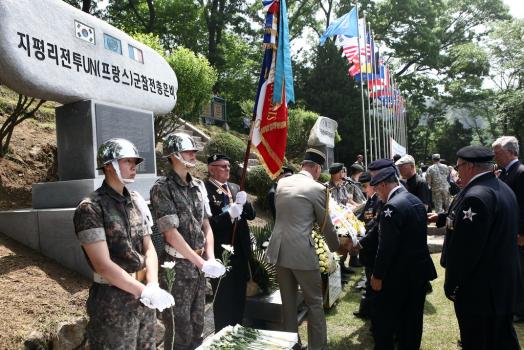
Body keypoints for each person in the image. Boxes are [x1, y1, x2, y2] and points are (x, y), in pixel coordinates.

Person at [73, 138, 174, 349]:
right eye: (127, 161)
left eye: (134, 162)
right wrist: (143, 290)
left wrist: (152, 285)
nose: (133, 166)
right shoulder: (91, 208)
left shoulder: (135, 202)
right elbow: (102, 264)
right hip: (113, 305)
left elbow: (149, 248)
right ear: (109, 165)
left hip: (144, 299)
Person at [429, 145, 521, 349]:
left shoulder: (476, 197)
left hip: (481, 290)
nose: (456, 170)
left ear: (470, 167)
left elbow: (466, 251)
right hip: (500, 285)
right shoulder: (501, 188)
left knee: (479, 340)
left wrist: (452, 285)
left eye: (459, 166)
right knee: (502, 338)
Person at [266, 148, 351, 350]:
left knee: (288, 303)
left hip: (278, 250)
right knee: (314, 303)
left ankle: (291, 345)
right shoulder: (317, 189)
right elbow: (325, 224)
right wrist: (336, 247)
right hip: (302, 252)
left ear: (303, 164)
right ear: (316, 167)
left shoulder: (282, 182)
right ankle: (317, 347)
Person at [150, 133, 226, 350]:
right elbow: (171, 234)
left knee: (197, 327)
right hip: (178, 268)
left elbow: (206, 226)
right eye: (188, 151)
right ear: (174, 155)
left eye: (194, 151)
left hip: (199, 266)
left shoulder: (199, 186)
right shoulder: (162, 188)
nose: (194, 155)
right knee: (179, 331)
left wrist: (210, 258)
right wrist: (201, 262)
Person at [370, 166, 437, 350]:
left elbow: (386, 248)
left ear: (383, 185)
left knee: (385, 323)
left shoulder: (391, 207)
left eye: (376, 189)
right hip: (417, 272)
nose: (376, 194)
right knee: (412, 322)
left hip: (397, 276)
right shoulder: (413, 199)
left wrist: (377, 275)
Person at [204, 154, 256, 332]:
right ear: (211, 169)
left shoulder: (234, 187)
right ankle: (223, 333)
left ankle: (237, 330)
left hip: (240, 252)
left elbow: (251, 215)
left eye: (228, 166)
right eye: (222, 166)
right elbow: (209, 225)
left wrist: (245, 202)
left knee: (239, 296)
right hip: (221, 252)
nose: (227, 169)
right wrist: (229, 215)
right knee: (223, 298)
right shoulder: (205, 190)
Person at [492, 136, 524, 322]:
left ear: (511, 152)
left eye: (498, 153)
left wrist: (521, 232)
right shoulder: (503, 172)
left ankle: (520, 310)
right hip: (507, 231)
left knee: (520, 272)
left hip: (517, 233)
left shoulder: (520, 172)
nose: (495, 156)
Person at [353, 171, 380, 319]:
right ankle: (367, 310)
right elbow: (362, 216)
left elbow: (373, 223)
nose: (363, 189)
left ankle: (370, 311)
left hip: (371, 244)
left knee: (372, 279)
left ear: (372, 184)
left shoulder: (377, 200)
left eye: (365, 186)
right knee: (369, 278)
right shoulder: (370, 199)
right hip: (367, 243)